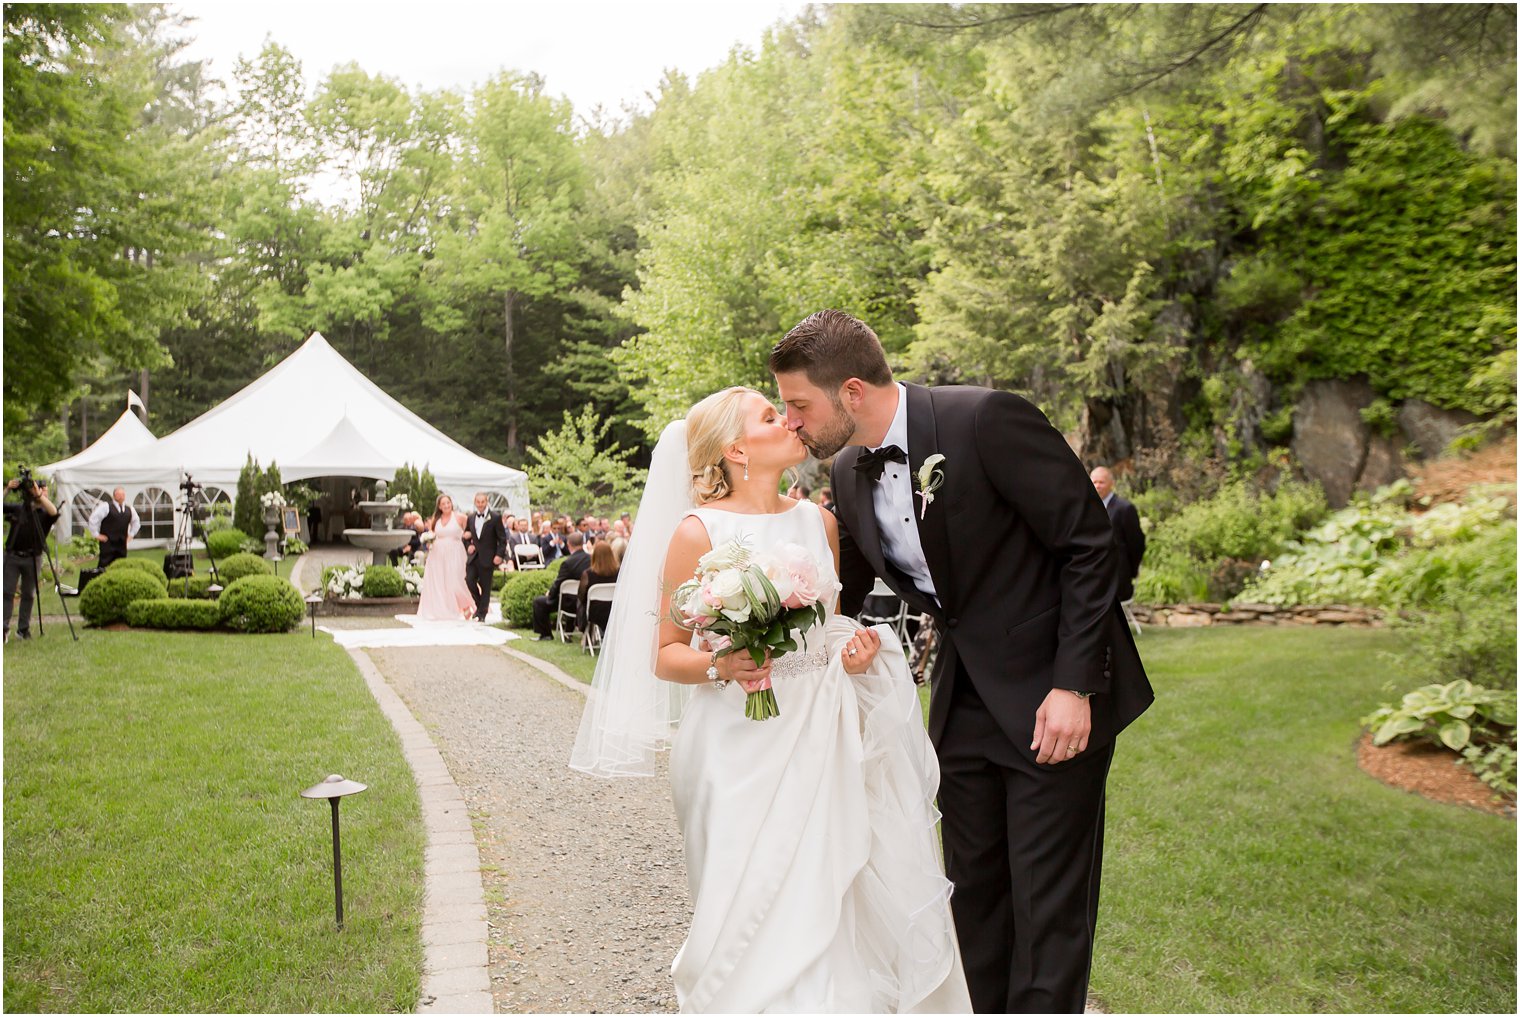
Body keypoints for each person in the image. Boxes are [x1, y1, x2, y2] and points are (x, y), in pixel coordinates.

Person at [771, 310, 1154, 1014]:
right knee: (971, 895)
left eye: (798, 405)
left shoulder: (985, 420)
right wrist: (761, 638)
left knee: (1046, 906)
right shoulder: (851, 470)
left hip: (1054, 696)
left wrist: (1074, 683)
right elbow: (842, 592)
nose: (790, 422)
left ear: (851, 391)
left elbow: (1089, 544)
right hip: (963, 702)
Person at [570, 387, 971, 1013]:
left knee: (830, 889)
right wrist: (721, 664)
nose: (787, 420)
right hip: (734, 747)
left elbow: (829, 627)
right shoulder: (696, 532)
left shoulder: (819, 521)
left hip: (821, 733)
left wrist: (853, 653)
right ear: (735, 449)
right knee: (743, 900)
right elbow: (666, 651)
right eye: (767, 416)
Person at [4, 476, 60, 642]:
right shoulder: (19, 508)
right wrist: (7, 489)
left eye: (44, 492)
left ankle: (23, 629)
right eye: (38, 490)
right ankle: (3, 628)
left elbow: (54, 512)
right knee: (6, 592)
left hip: (32, 557)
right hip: (12, 556)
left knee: (28, 594)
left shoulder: (45, 513)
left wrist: (39, 496)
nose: (42, 494)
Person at [416, 494, 475, 622]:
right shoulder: (436, 519)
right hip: (437, 554)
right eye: (443, 504)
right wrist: (428, 541)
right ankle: (447, 608)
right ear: (439, 506)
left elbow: (472, 531)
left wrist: (471, 541)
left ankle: (467, 605)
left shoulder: (460, 517)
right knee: (441, 583)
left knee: (457, 581)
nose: (446, 505)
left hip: (455, 553)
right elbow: (432, 534)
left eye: (448, 502)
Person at [1091, 466, 1146, 603]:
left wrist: (1132, 571)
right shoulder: (1086, 508)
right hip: (1091, 575)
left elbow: (1136, 544)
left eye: (1101, 482)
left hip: (1117, 578)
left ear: (1111, 483)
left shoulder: (1124, 508)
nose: (1097, 486)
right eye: (1094, 482)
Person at [531, 531, 589, 640]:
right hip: (586, 601)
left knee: (539, 602)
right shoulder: (591, 559)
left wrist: (550, 595)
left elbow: (559, 583)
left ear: (569, 545)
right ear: (583, 543)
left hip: (569, 603)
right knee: (570, 596)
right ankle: (568, 632)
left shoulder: (568, 563)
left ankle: (546, 634)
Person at [463, 493, 506, 621]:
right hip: (474, 557)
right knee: (469, 580)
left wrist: (499, 555)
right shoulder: (470, 518)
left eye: (483, 501)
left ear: (487, 502)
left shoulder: (495, 517)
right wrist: (468, 546)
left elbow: (502, 539)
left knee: (486, 586)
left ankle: (482, 614)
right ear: (475, 502)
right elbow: (466, 535)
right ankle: (479, 605)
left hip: (488, 557)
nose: (480, 504)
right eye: (478, 502)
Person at [88, 487, 140, 569]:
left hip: (121, 544)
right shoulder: (105, 507)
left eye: (123, 494)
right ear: (114, 496)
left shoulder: (129, 509)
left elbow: (136, 522)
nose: (121, 496)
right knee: (104, 566)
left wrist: (131, 535)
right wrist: (96, 534)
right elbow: (93, 519)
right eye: (118, 494)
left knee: (121, 565)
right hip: (107, 543)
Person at [575, 539, 620, 633]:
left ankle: (583, 629)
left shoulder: (588, 574)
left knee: (580, 603)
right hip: (614, 610)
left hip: (595, 613)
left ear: (594, 555)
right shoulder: (618, 572)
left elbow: (581, 596)